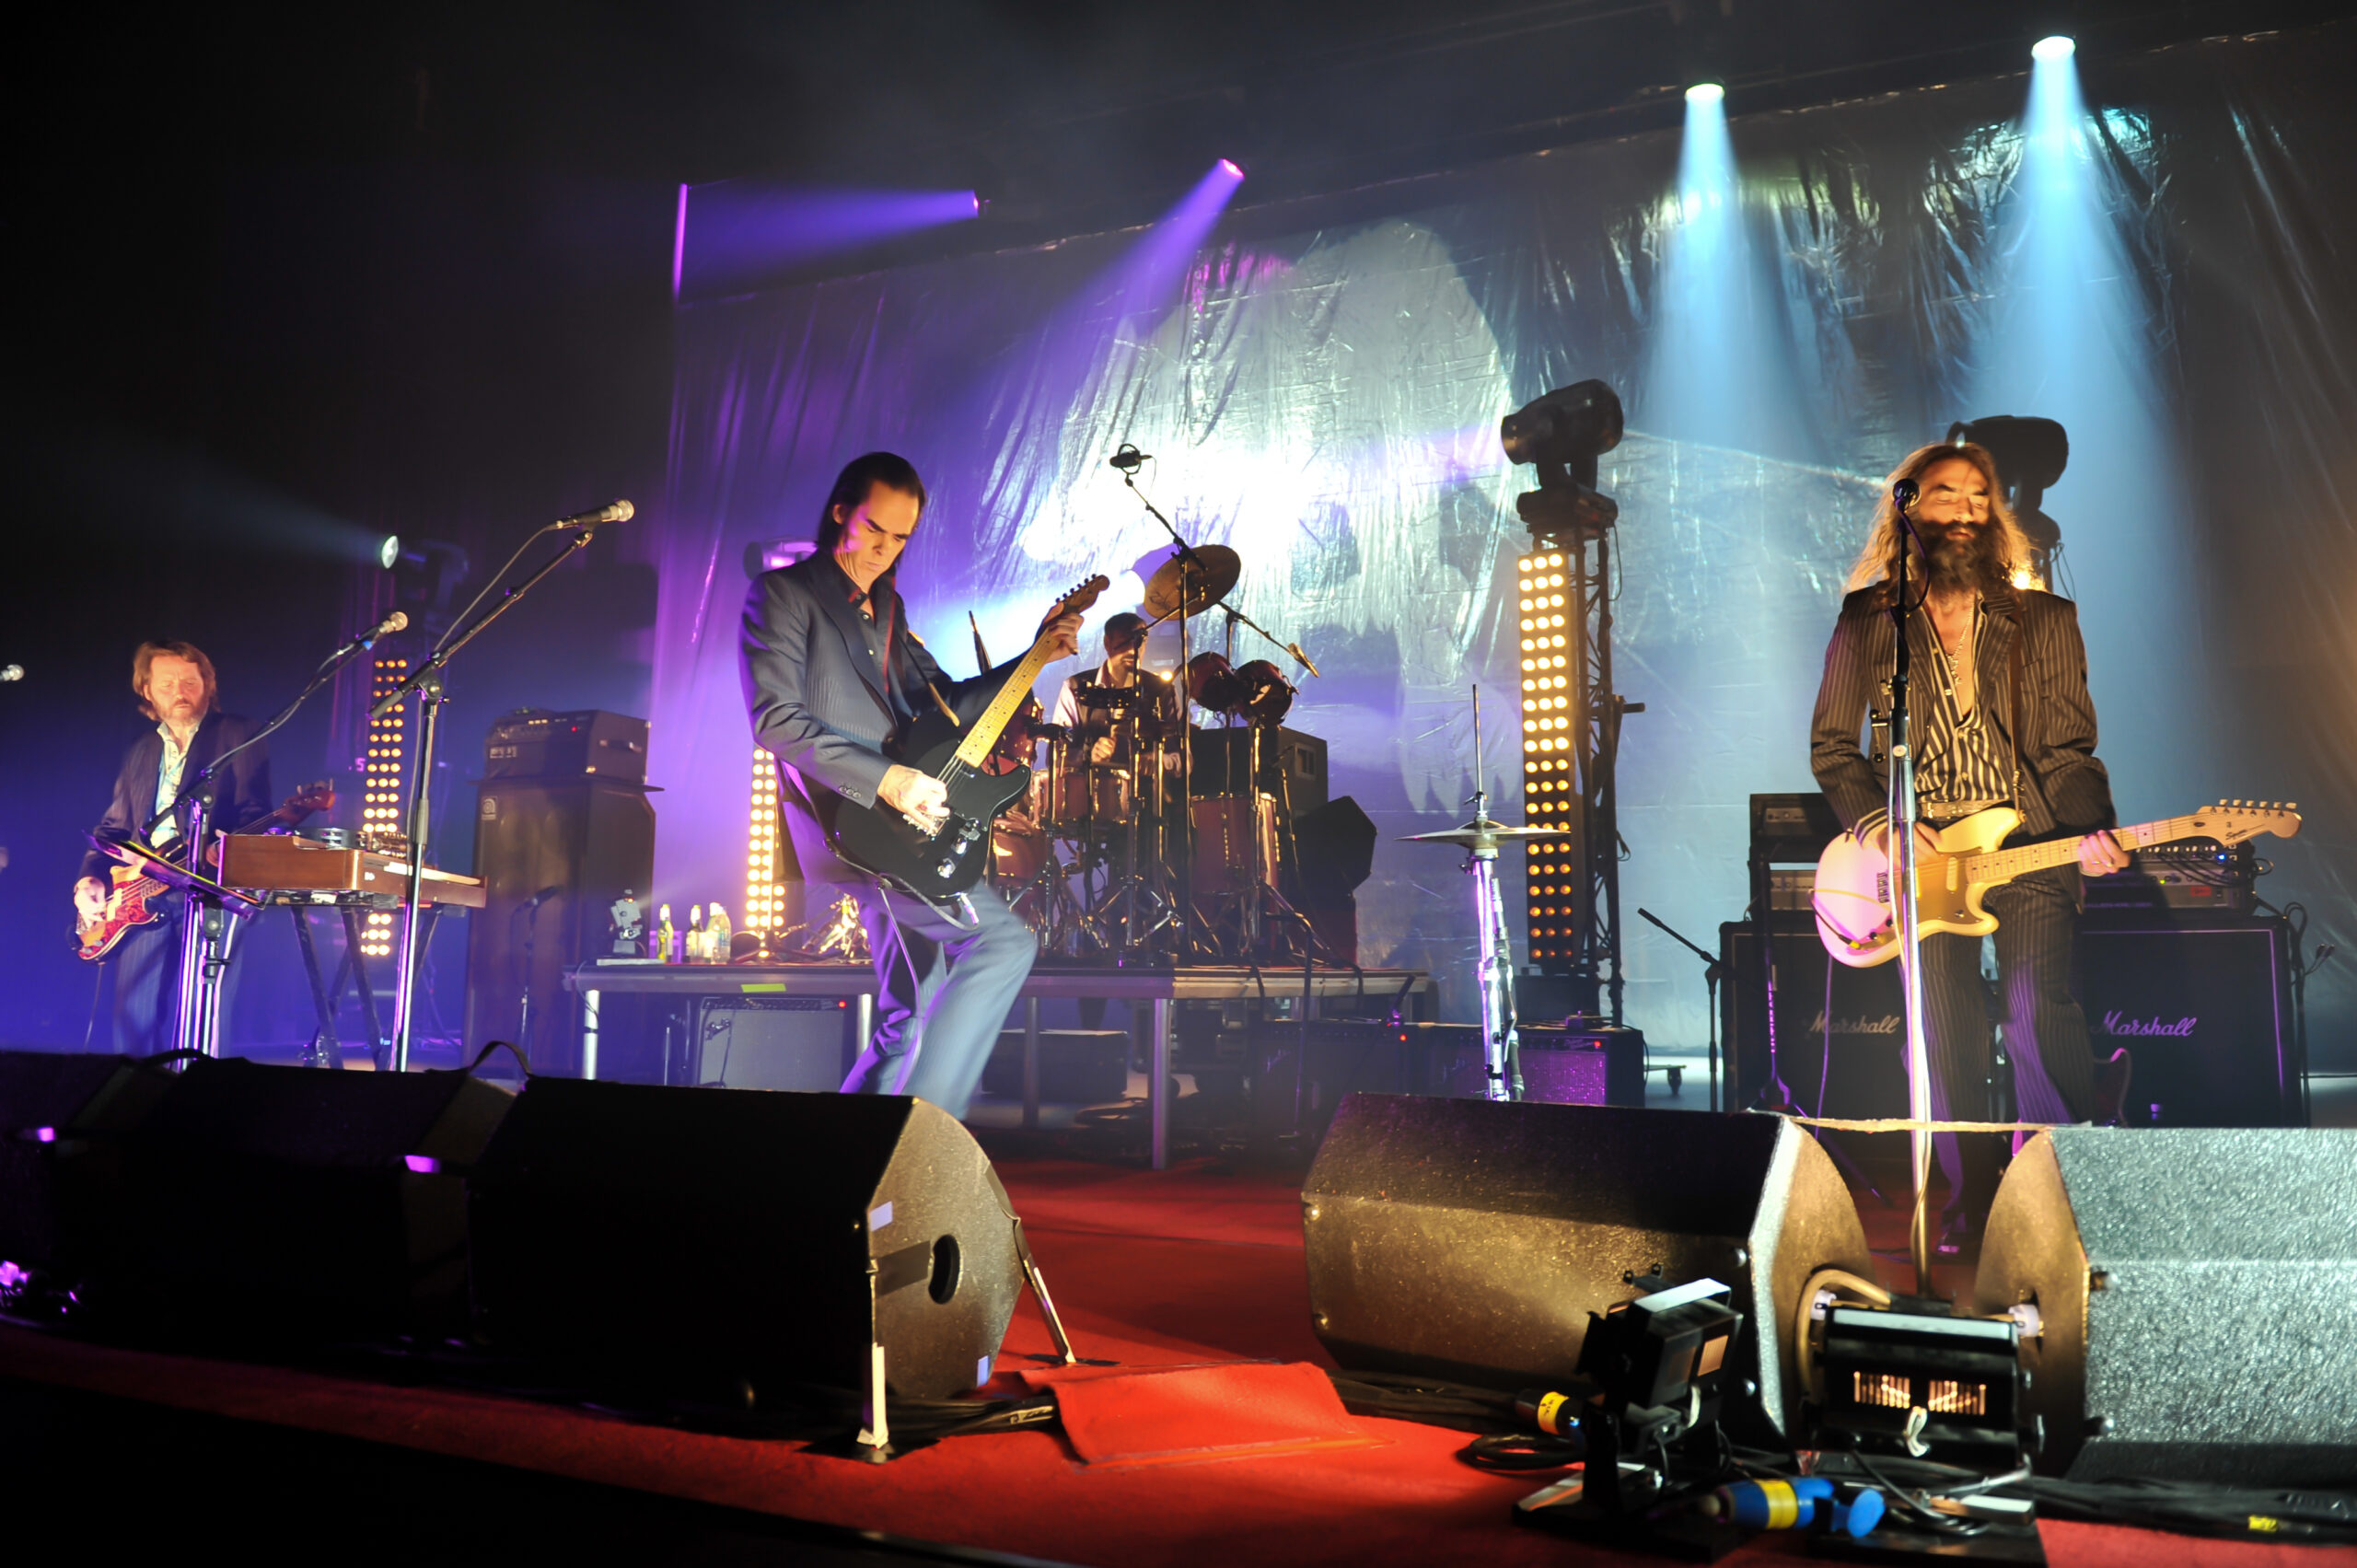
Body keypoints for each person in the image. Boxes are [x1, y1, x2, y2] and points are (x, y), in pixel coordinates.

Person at [1809, 441, 2129, 1253]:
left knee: (2032, 1008)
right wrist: (1884, 823)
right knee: (1943, 1032)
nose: (1962, 508)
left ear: (1995, 515)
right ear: (1908, 507)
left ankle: (2061, 1195)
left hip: (2023, 841)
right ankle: (1969, 1205)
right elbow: (1833, 749)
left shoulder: (2044, 619)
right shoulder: (1868, 621)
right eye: (1945, 493)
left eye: (1979, 495)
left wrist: (2089, 828)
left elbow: (2067, 750)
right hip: (1918, 863)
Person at [742, 452, 1082, 1117]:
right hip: (851, 821)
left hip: (902, 825)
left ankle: (846, 1164)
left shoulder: (887, 607)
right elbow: (774, 719)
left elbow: (947, 700)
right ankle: (920, 1141)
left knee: (915, 1004)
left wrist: (1036, 654)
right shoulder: (783, 595)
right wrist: (889, 780)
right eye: (874, 530)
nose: (884, 550)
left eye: (900, 538)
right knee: (1003, 942)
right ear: (840, 510)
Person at [75, 641, 272, 1053]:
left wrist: (228, 849)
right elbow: (114, 826)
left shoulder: (237, 733)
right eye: (167, 683)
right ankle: (128, 1104)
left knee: (203, 1015)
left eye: (190, 682)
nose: (179, 691)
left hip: (206, 888)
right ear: (147, 690)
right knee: (134, 1018)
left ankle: (197, 1104)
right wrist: (89, 878)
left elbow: (256, 810)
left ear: (207, 686)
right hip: (141, 892)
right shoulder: (142, 749)